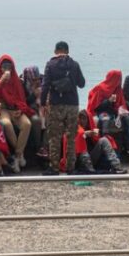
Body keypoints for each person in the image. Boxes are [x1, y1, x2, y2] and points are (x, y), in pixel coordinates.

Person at [41, 41, 86, 175]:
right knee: (71, 138)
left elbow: (45, 86)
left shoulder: (50, 64)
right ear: (67, 51)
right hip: (72, 105)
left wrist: (43, 104)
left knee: (54, 137)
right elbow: (82, 83)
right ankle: (70, 168)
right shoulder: (74, 64)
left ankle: (54, 168)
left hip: (56, 105)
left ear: (56, 51)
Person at [0, 55, 35, 172]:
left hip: (14, 109)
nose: (6, 69)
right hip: (1, 108)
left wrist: (21, 109)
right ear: (0, 67)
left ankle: (17, 155)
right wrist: (0, 82)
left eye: (9, 67)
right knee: (6, 124)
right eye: (4, 67)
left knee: (27, 124)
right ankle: (19, 155)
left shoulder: (15, 79)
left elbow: (21, 98)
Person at [87, 69, 126, 138]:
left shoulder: (118, 89)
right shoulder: (100, 88)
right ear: (113, 79)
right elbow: (96, 107)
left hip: (113, 112)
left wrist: (121, 111)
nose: (120, 81)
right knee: (105, 120)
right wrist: (108, 101)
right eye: (118, 78)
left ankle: (127, 143)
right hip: (101, 112)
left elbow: (121, 104)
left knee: (128, 120)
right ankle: (105, 139)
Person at [22, 66, 47, 158]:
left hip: (43, 107)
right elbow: (23, 102)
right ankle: (38, 146)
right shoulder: (22, 84)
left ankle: (44, 146)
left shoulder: (43, 80)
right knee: (36, 121)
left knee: (49, 120)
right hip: (29, 108)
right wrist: (33, 95)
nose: (36, 81)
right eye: (33, 79)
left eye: (37, 78)